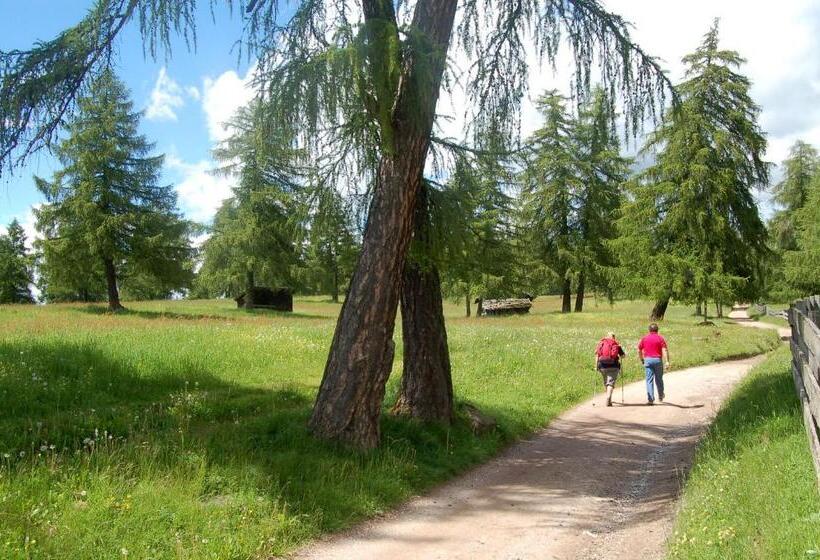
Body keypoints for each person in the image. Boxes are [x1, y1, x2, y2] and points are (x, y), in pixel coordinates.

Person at [637, 322, 670, 405]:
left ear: (649, 330)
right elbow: (664, 350)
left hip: (648, 360)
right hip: (657, 360)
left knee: (649, 380)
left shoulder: (644, 338)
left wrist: (642, 359)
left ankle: (650, 399)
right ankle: (661, 395)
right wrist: (667, 361)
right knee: (659, 379)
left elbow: (639, 350)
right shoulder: (660, 338)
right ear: (657, 330)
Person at [595, 331, 625, 407]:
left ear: (606, 336)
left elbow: (597, 355)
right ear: (614, 337)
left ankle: (609, 399)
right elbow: (623, 356)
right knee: (610, 383)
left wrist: (596, 366)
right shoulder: (616, 344)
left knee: (606, 383)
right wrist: (621, 351)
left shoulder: (601, 343)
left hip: (602, 366)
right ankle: (608, 397)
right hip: (613, 366)